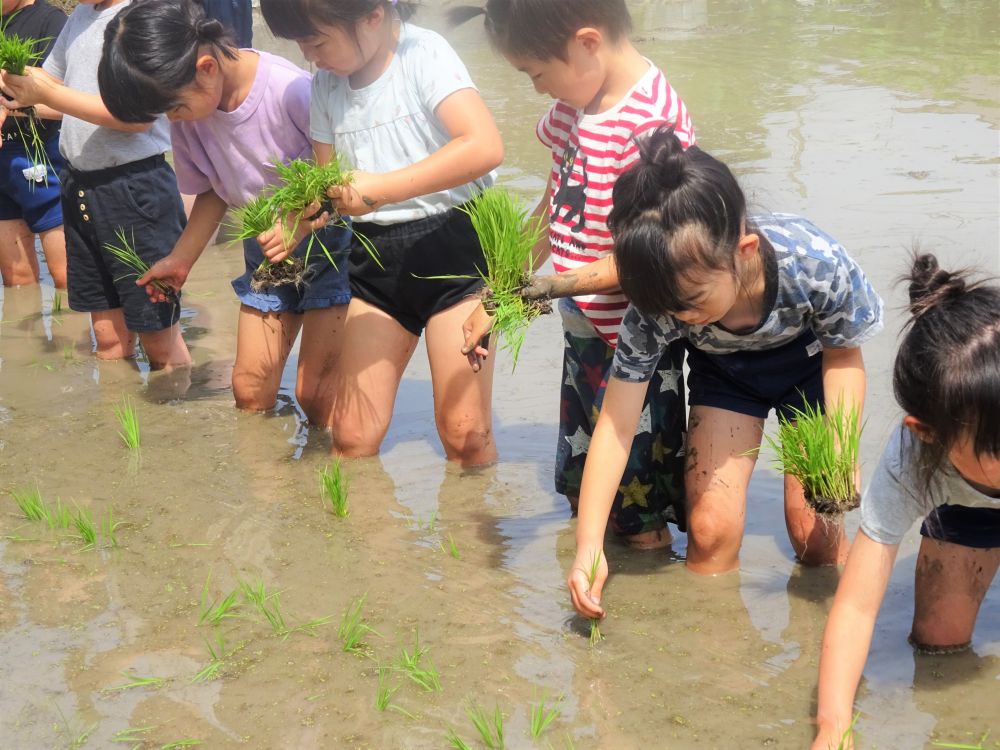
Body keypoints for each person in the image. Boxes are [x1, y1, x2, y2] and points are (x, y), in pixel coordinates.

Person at [566, 128, 885, 619]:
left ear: (745, 250)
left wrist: (842, 448)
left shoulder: (814, 262)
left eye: (691, 302)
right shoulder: (658, 304)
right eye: (665, 306)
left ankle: (824, 634)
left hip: (810, 372)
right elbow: (617, 423)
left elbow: (843, 357)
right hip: (726, 378)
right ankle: (716, 657)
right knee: (711, 534)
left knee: (815, 538)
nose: (678, 316)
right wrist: (589, 544)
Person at [453, 0, 695, 547]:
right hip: (583, 332)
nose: (538, 89)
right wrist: (498, 295)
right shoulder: (574, 108)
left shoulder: (652, 126)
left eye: (538, 73)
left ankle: (643, 610)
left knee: (638, 512)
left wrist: (548, 286)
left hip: (637, 346)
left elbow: (648, 256)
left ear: (588, 42)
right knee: (584, 490)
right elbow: (553, 207)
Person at [258, 0, 503, 465]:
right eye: (300, 44)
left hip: (455, 257)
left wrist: (382, 190)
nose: (309, 56)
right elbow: (327, 187)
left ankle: (473, 532)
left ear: (372, 15)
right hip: (375, 266)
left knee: (465, 435)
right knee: (351, 438)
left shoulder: (423, 54)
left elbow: (484, 145)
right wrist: (297, 224)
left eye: (316, 40)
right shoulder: (325, 85)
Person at [98, 0, 352, 426]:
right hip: (264, 252)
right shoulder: (190, 119)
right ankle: (267, 481)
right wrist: (181, 259)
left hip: (329, 248)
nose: (172, 119)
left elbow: (339, 175)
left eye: (173, 108)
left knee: (316, 392)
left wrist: (299, 222)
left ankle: (327, 482)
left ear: (206, 68)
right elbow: (214, 191)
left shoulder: (289, 90)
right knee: (250, 389)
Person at [811, 255, 999, 750]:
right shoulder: (911, 460)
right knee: (939, 642)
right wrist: (833, 726)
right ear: (930, 434)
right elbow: (854, 607)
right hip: (970, 508)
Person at [0, 0, 191, 370]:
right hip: (80, 186)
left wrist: (44, 93)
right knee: (107, 340)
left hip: (134, 190)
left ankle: (172, 422)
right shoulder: (79, 19)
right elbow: (54, 90)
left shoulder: (142, 17)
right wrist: (13, 89)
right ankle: (117, 419)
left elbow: (134, 117)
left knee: (159, 341)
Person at [0, 0, 67, 288]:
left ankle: (77, 333)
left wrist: (9, 107)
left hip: (40, 153)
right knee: (17, 280)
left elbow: (67, 102)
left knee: (66, 276)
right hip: (3, 162)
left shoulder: (50, 21)